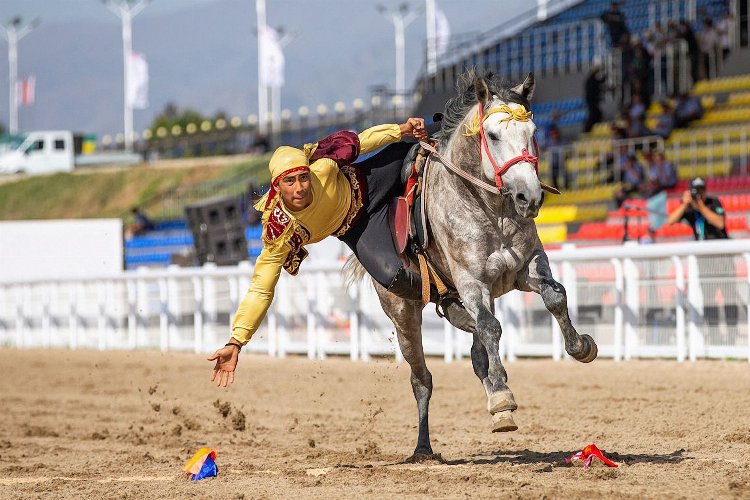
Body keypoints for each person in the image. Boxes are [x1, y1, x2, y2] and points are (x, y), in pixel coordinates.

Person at [206, 119, 472, 386]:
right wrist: (236, 341)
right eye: (290, 181)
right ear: (277, 186)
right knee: (395, 278)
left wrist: (401, 130)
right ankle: (446, 299)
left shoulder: (323, 166)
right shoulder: (280, 231)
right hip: (358, 228)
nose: (300, 187)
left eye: (303, 177)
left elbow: (362, 141)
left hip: (371, 180)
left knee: (418, 152)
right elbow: (261, 289)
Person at [665, 177, 736, 341]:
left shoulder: (713, 202)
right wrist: (684, 203)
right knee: (709, 300)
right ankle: (714, 337)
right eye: (696, 190)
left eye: (701, 190)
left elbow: (719, 223)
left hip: (723, 260)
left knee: (729, 297)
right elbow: (670, 221)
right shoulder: (690, 209)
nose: (699, 193)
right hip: (704, 261)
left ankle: (732, 337)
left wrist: (701, 206)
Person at [584, 64, 606, 132]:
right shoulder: (591, 80)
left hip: (592, 100)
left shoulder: (591, 79)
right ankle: (588, 129)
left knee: (596, 113)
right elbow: (597, 84)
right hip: (591, 101)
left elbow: (599, 82)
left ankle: (592, 128)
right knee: (594, 113)